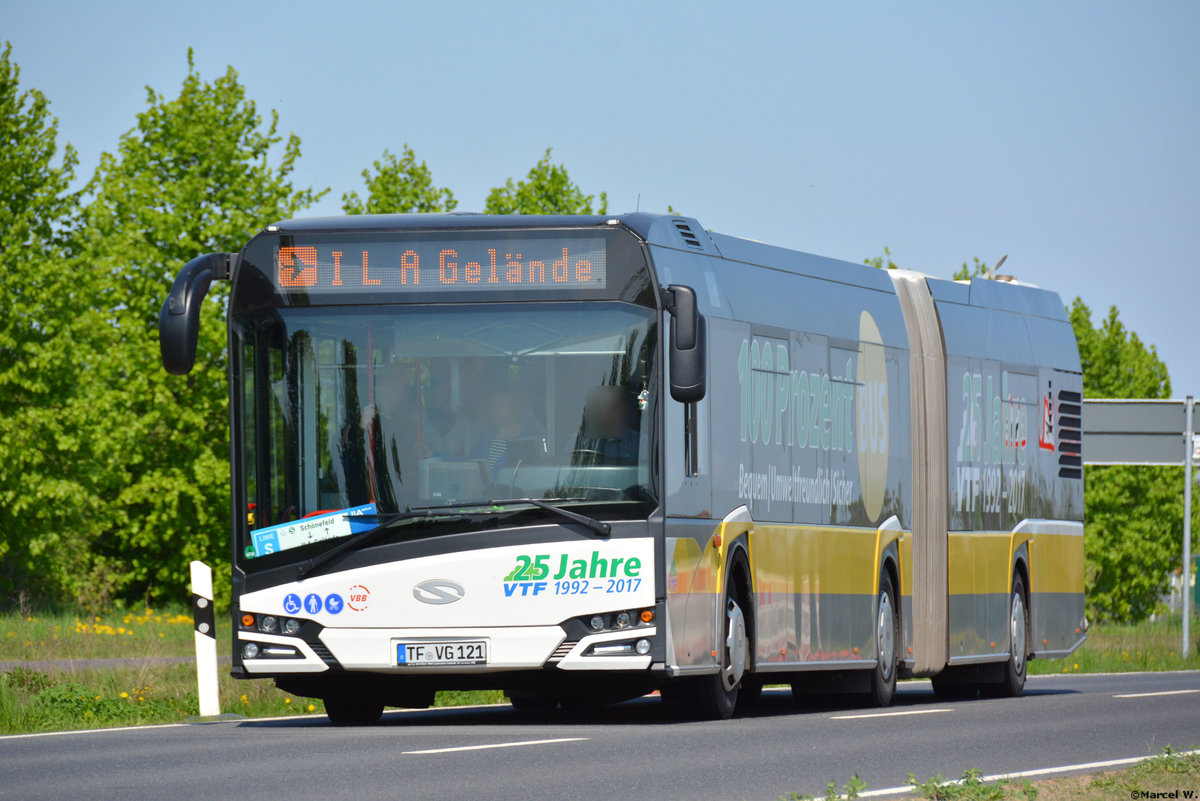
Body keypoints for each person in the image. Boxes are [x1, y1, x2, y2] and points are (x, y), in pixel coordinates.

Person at [578, 385, 640, 464]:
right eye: (600, 408)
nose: (605, 414)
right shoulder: (579, 442)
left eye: (613, 408)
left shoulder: (641, 442)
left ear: (625, 410)